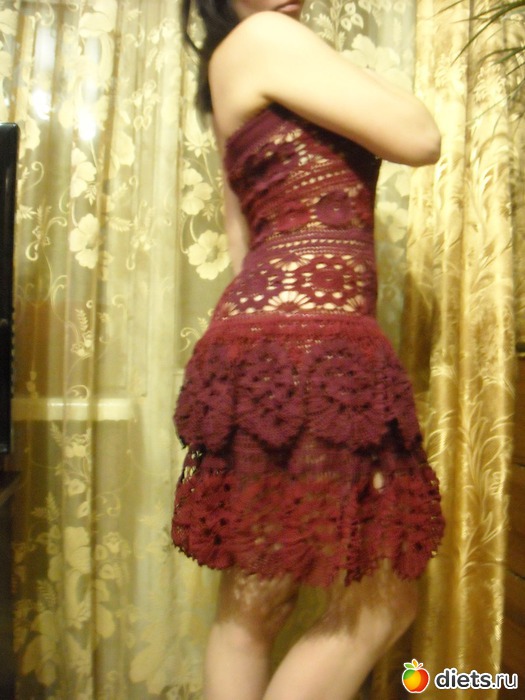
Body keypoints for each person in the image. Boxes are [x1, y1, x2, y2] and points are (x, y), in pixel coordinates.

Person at [172, 1, 445, 698]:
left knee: (254, 606)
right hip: (310, 343)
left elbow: (243, 241)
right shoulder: (266, 37)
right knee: (380, 601)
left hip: (265, 340)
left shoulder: (231, 64)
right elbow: (419, 135)